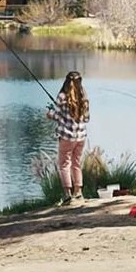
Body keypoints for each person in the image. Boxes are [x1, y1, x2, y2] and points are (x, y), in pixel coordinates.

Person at [46, 71, 91, 205]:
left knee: (64, 165)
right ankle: (79, 193)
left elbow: (58, 116)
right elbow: (87, 118)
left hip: (66, 136)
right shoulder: (84, 97)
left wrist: (50, 114)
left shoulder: (61, 97)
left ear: (66, 81)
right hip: (81, 137)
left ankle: (67, 195)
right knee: (76, 164)